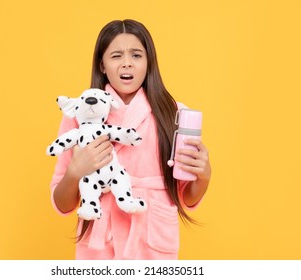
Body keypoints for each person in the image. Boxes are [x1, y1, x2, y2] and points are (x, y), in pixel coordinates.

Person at [49, 19, 211, 260]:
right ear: (102, 65)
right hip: (99, 245)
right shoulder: (80, 115)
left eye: (136, 55)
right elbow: (62, 204)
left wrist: (204, 175)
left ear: (148, 62)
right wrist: (75, 171)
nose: (127, 63)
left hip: (152, 240)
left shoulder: (174, 113)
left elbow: (187, 197)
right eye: (116, 56)